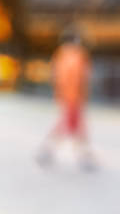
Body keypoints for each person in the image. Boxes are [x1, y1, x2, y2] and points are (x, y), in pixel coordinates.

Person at [36, 26, 97, 170]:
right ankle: (83, 157)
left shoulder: (62, 54)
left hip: (67, 97)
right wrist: (76, 94)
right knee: (73, 127)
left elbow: (58, 77)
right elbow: (77, 78)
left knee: (71, 126)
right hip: (73, 97)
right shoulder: (75, 55)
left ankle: (49, 152)